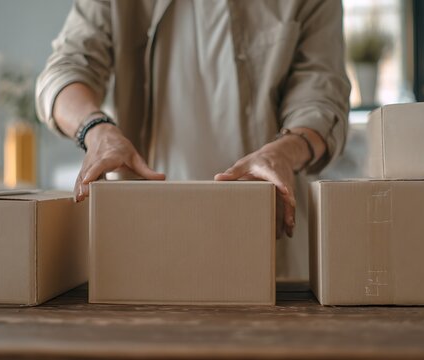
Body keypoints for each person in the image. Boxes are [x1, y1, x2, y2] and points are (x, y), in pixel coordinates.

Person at [36, 0, 350, 279]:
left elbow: (322, 98)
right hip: (145, 243)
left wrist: (283, 152)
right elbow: (63, 72)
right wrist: (98, 131)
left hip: (268, 243)